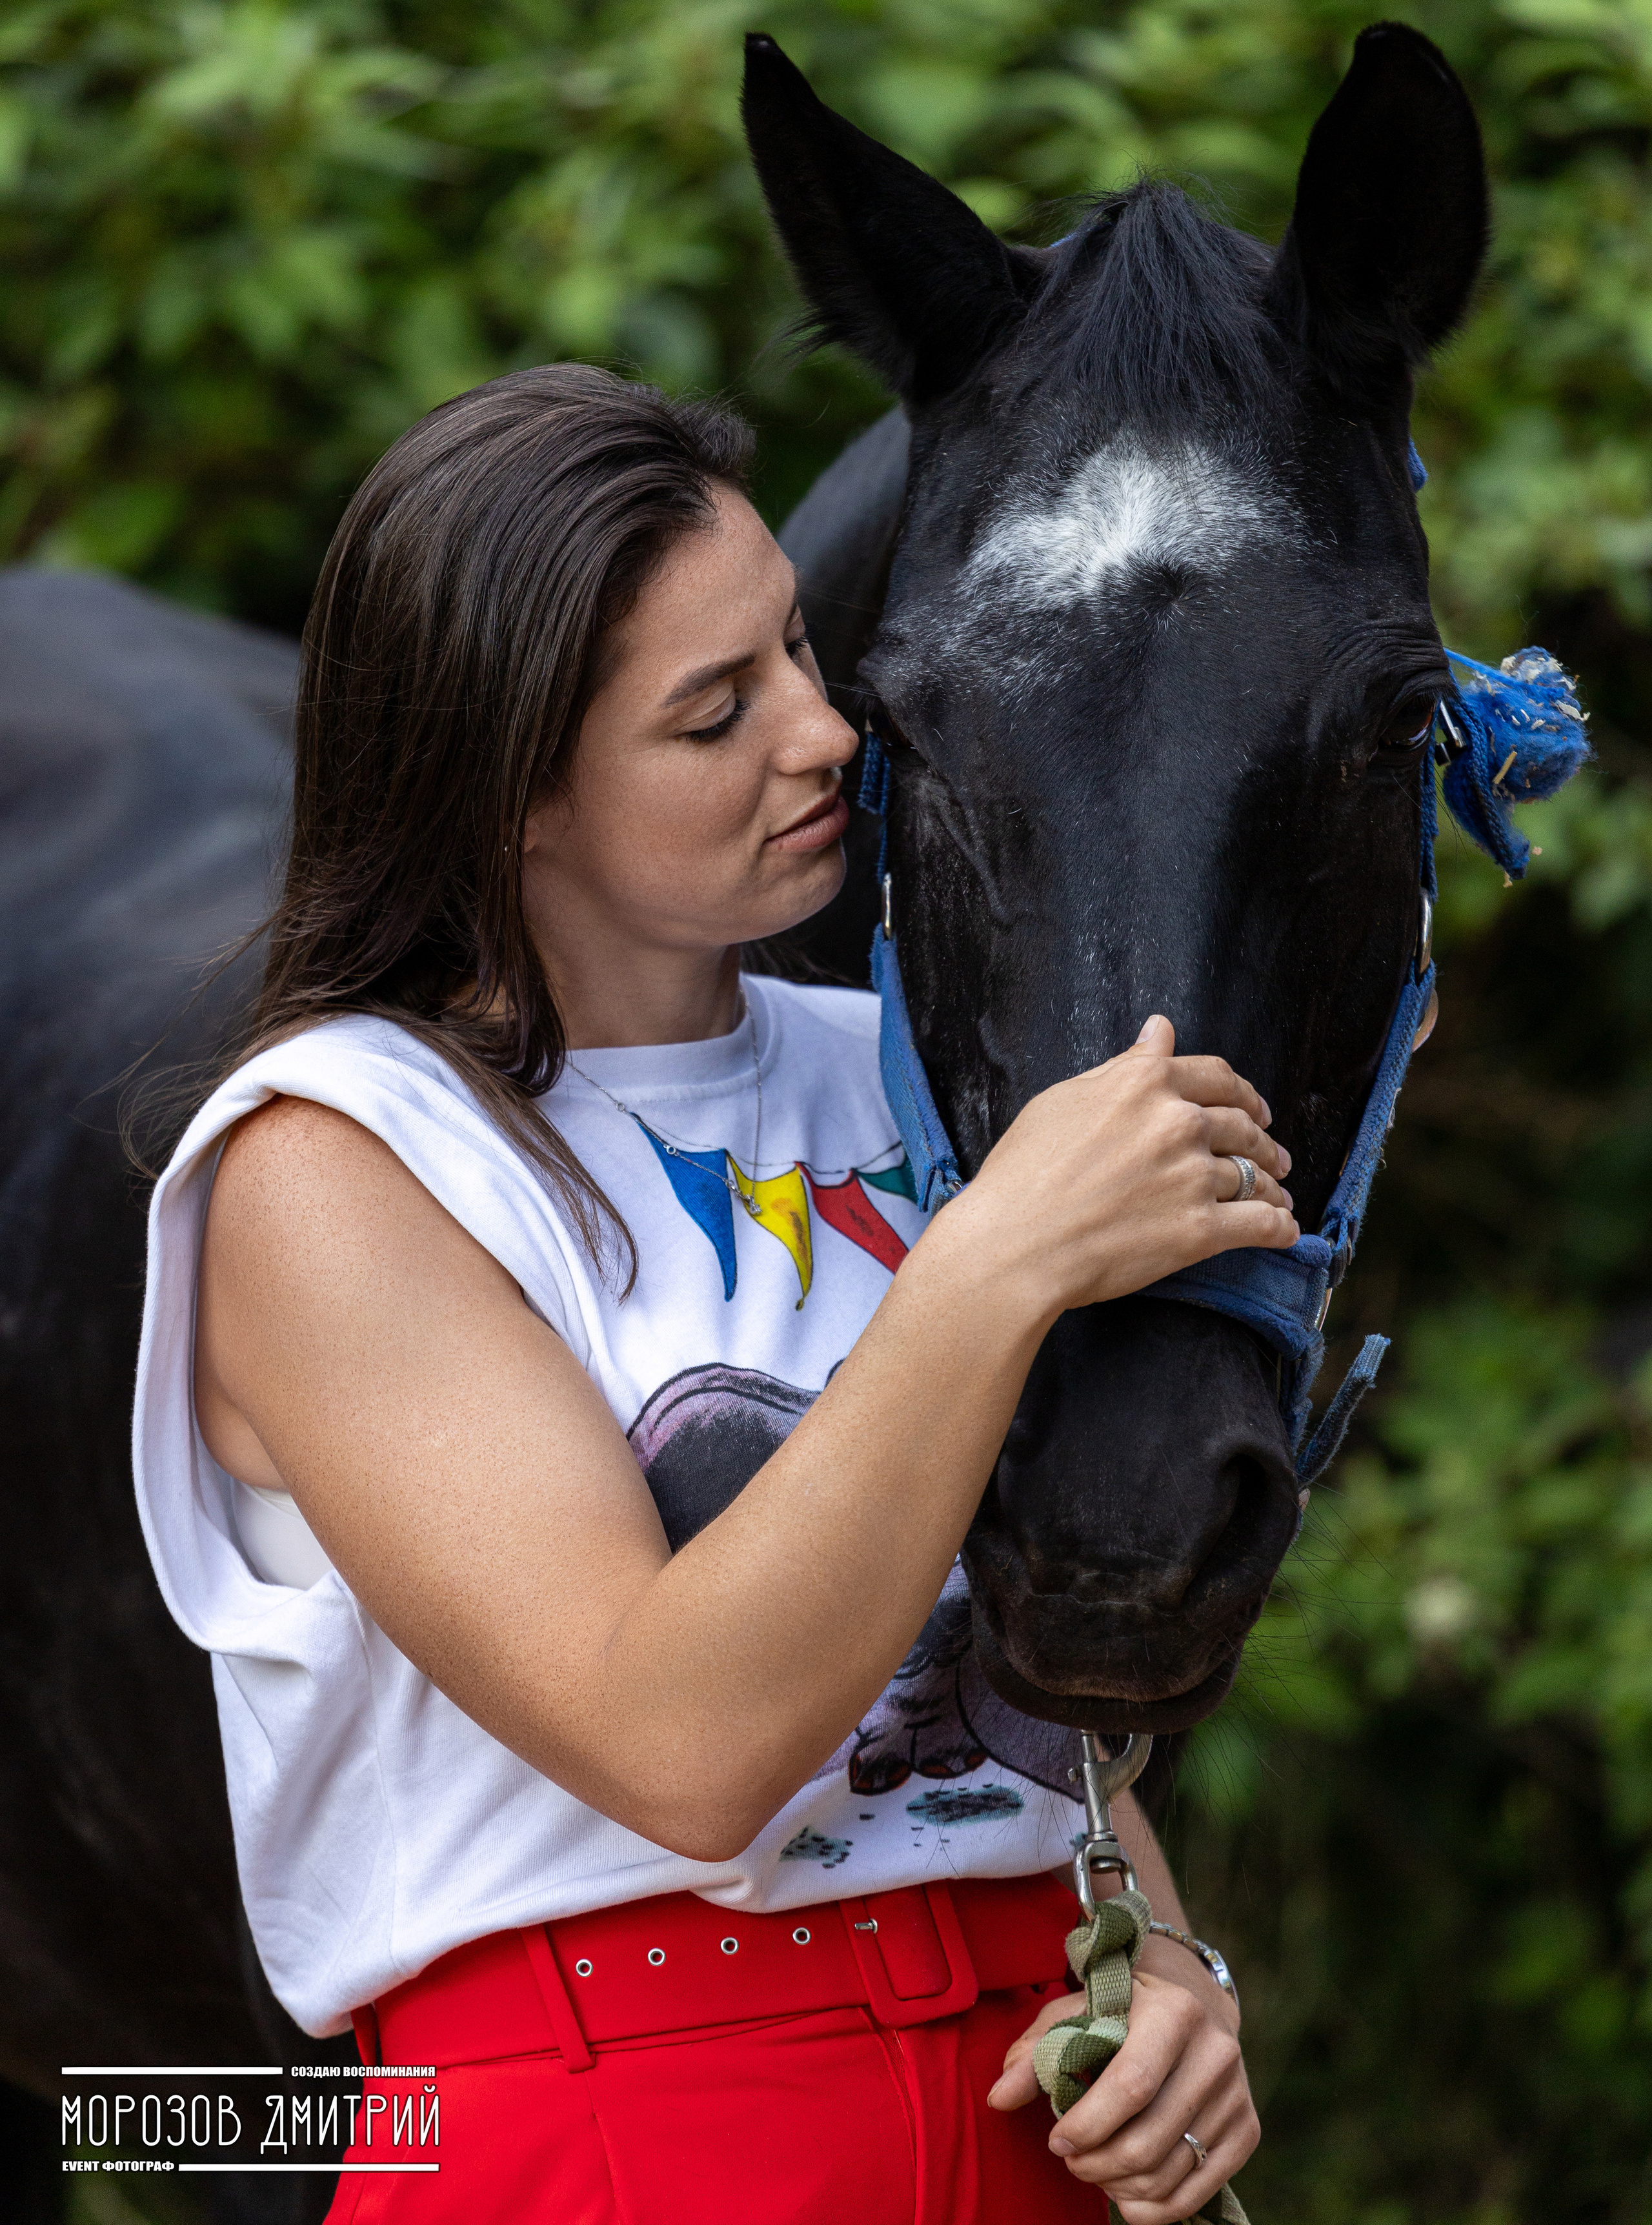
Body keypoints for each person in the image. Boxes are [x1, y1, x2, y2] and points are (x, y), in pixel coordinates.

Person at [133, 363, 1303, 2225]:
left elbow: (972, 1701)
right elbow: (677, 1747)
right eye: (714, 714)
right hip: (620, 2131)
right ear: (507, 789)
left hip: (1029, 2097)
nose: (824, 735)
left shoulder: (900, 1073)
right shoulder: (342, 1169)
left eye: (799, 653)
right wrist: (996, 1260)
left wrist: (1159, 1960)